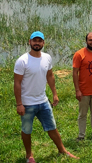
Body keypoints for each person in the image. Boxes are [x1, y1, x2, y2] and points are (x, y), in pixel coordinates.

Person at [13, 31, 76, 163]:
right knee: (27, 130)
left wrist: (54, 93)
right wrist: (19, 104)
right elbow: (17, 83)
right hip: (27, 103)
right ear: (29, 42)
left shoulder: (47, 58)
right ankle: (29, 155)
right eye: (34, 41)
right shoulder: (22, 61)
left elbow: (50, 76)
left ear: (43, 43)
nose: (37, 43)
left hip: (43, 101)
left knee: (52, 127)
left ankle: (62, 150)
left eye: (39, 41)